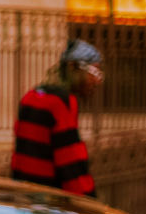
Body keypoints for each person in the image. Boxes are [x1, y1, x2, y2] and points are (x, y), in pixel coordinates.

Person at [11, 39, 101, 197]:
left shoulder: (30, 97)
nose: (95, 80)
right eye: (92, 72)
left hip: (23, 198)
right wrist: (90, 203)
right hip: (48, 203)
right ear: (72, 67)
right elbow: (70, 165)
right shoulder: (61, 103)